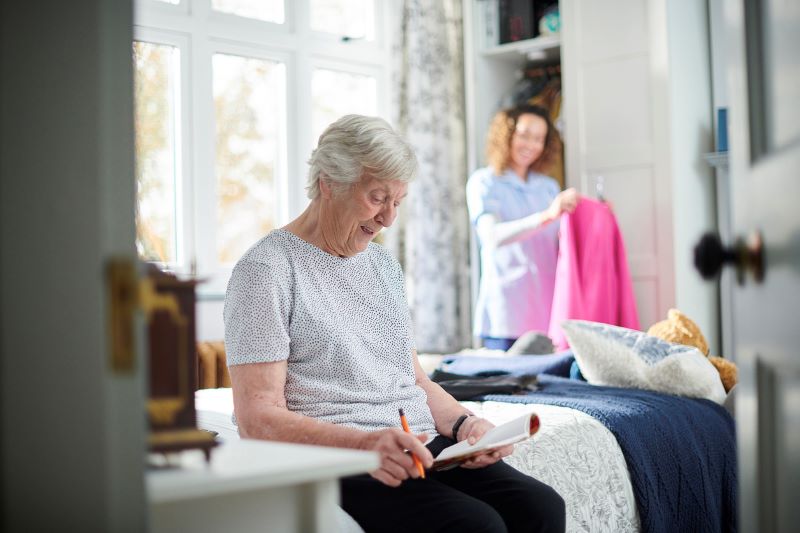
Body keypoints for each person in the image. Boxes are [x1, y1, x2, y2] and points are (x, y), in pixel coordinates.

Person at [224, 114, 566, 533]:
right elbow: (256, 417)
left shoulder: (383, 265)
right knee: (477, 525)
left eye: (397, 202)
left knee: (541, 507)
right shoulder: (266, 270)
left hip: (417, 445)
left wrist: (465, 426)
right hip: (343, 455)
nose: (388, 218)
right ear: (329, 183)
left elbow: (414, 380)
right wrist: (367, 443)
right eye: (376, 198)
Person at [466, 104, 579, 351]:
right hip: (505, 313)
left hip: (548, 312)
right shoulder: (484, 182)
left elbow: (564, 240)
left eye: (539, 139)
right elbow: (492, 237)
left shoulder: (548, 187)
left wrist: (596, 214)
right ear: (506, 135)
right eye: (524, 135)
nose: (531, 145)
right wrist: (546, 216)